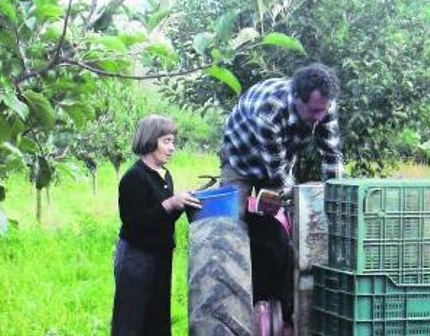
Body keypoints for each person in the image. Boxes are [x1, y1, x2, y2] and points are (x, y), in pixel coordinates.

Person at [219, 62, 344, 329]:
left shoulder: (324, 107)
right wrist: (295, 205)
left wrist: (335, 201)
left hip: (280, 157)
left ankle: (286, 305)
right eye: (314, 111)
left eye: (323, 110)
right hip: (240, 158)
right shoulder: (269, 111)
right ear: (297, 98)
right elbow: (277, 176)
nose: (320, 116)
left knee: (286, 233)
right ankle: (237, 301)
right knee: (232, 226)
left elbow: (331, 156)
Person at [111, 115, 201, 336]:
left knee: (157, 316)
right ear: (151, 141)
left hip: (160, 255)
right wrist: (170, 203)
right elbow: (135, 224)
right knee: (132, 319)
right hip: (137, 258)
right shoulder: (134, 178)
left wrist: (181, 203)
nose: (172, 148)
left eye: (173, 142)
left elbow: (161, 219)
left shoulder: (165, 175)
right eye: (166, 141)